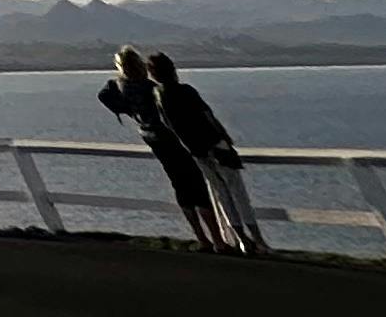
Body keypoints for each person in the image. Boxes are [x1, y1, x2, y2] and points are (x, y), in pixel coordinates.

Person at [100, 46, 227, 251]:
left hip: (152, 139)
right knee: (197, 185)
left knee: (180, 185)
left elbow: (103, 95)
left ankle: (202, 238)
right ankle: (218, 240)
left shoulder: (119, 87)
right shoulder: (151, 88)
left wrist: (125, 110)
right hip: (172, 139)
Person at [147, 57, 270, 256]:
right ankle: (258, 240)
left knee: (222, 195)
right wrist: (226, 139)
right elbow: (208, 117)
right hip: (215, 145)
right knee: (238, 193)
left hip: (196, 151)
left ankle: (242, 240)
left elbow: (171, 126)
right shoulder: (186, 91)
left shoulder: (159, 96)